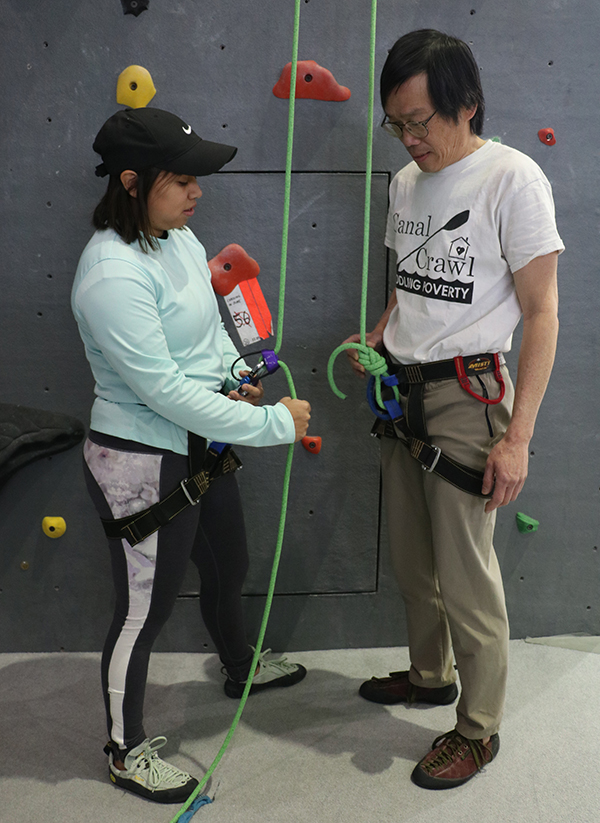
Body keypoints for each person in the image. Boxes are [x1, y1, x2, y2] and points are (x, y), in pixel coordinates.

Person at [71, 106, 311, 804]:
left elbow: (199, 338)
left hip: (197, 441)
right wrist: (271, 422)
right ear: (132, 181)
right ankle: (123, 750)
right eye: (182, 180)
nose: (197, 191)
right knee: (142, 611)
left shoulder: (172, 235)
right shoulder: (110, 275)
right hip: (140, 458)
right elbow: (163, 389)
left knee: (227, 561)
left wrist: (236, 377)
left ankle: (239, 663)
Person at [344, 30, 563, 789]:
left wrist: (519, 437)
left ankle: (479, 727)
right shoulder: (406, 182)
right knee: (413, 560)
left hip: (470, 399)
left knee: (467, 574)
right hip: (402, 389)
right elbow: (410, 278)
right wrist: (378, 335)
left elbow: (543, 313)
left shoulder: (513, 179)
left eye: (422, 120)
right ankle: (430, 675)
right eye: (396, 123)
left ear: (466, 105)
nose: (410, 139)